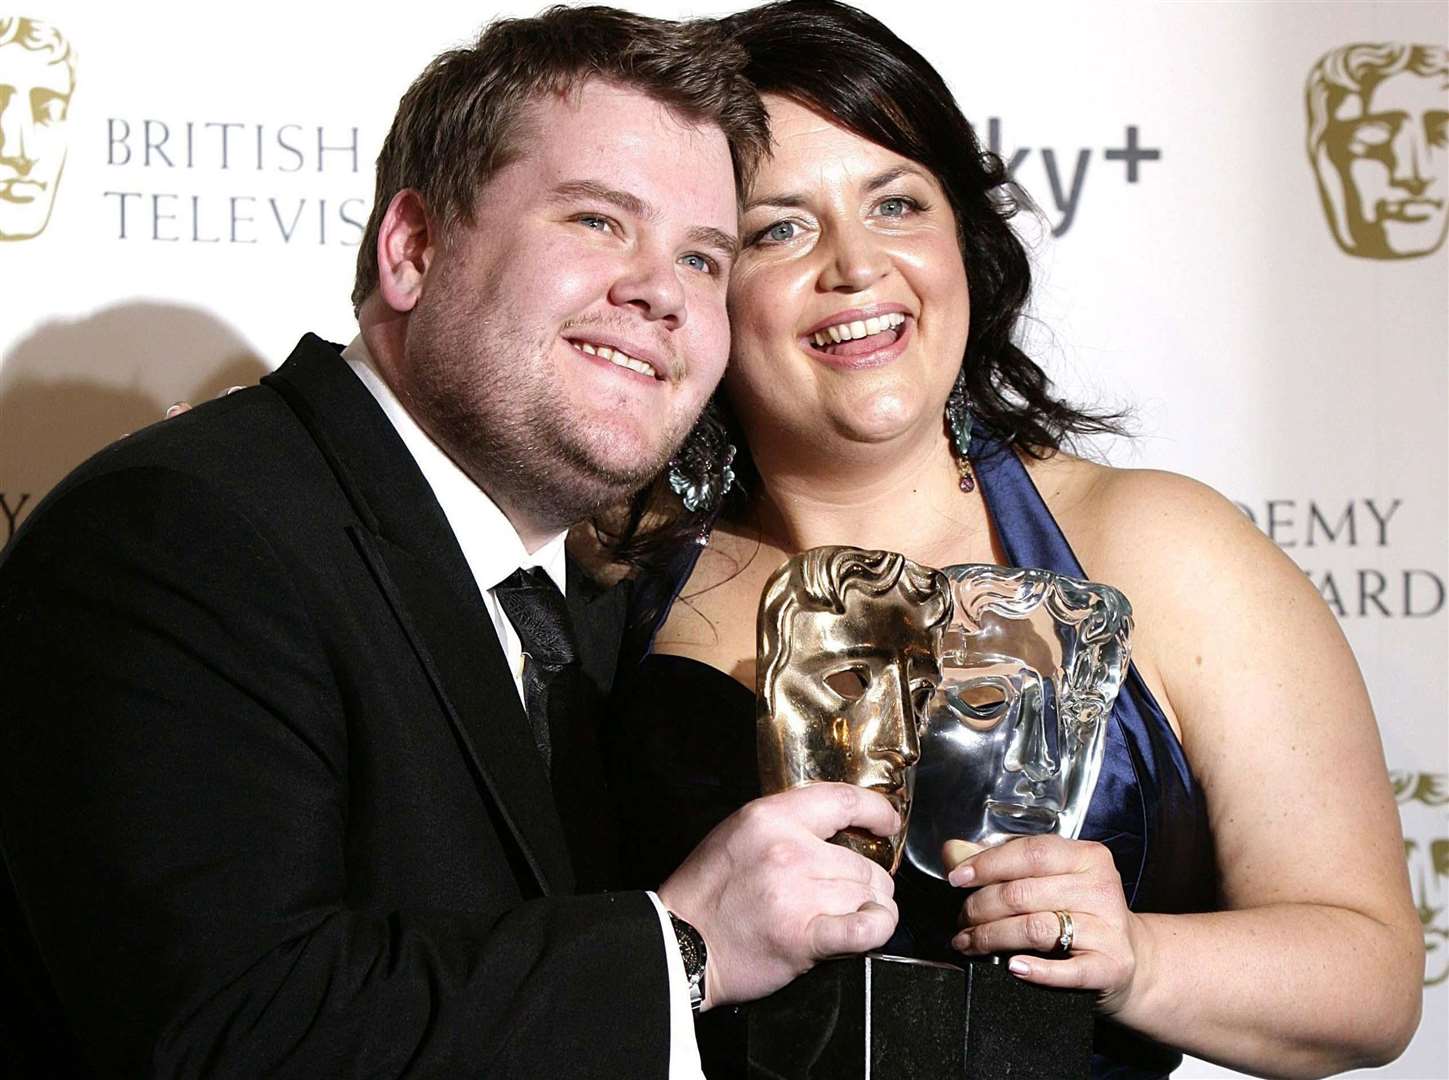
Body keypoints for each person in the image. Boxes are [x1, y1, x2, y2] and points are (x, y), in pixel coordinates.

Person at [0, 8, 906, 1077]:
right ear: (413, 249)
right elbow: (233, 1028)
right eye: (598, 222)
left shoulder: (596, 602)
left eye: (704, 259)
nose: (661, 292)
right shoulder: (177, 541)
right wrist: (682, 951)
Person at [606, 2, 1424, 1077]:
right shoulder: (607, 582)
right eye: (779, 228)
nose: (857, 266)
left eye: (896, 203)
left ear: (966, 241)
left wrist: (1139, 960)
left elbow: (1368, 978)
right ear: (704, 278)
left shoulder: (1162, 546)